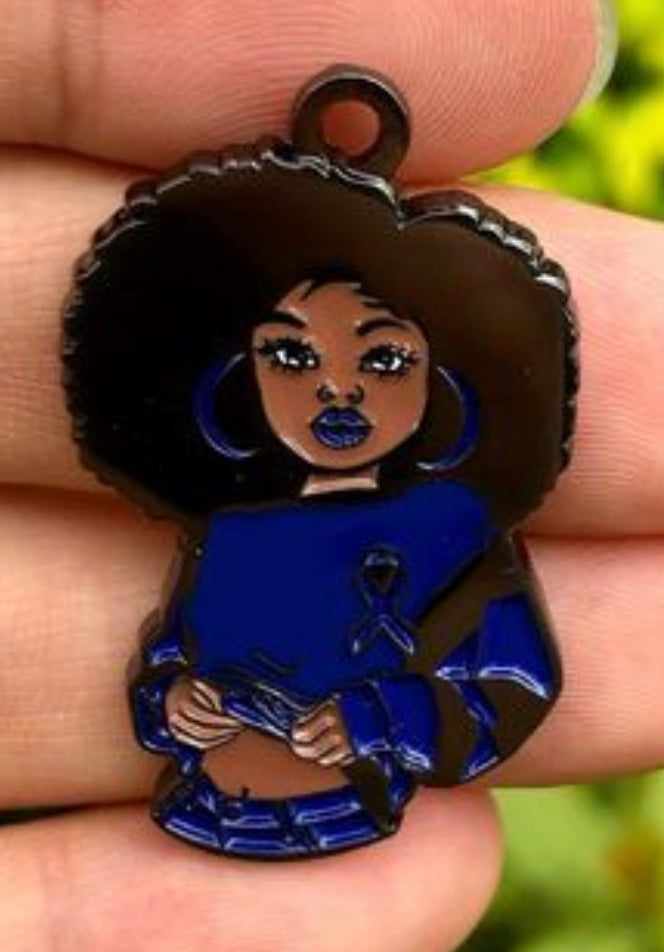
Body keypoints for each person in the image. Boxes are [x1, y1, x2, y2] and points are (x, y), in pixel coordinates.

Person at [6, 0, 663, 947]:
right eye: (289, 356)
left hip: (344, 811)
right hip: (203, 806)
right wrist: (173, 701)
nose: (335, 390)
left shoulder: (456, 541)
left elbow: (510, 681)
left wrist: (379, 717)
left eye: (384, 359)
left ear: (448, 384)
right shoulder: (228, 533)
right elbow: (172, 652)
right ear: (231, 377)